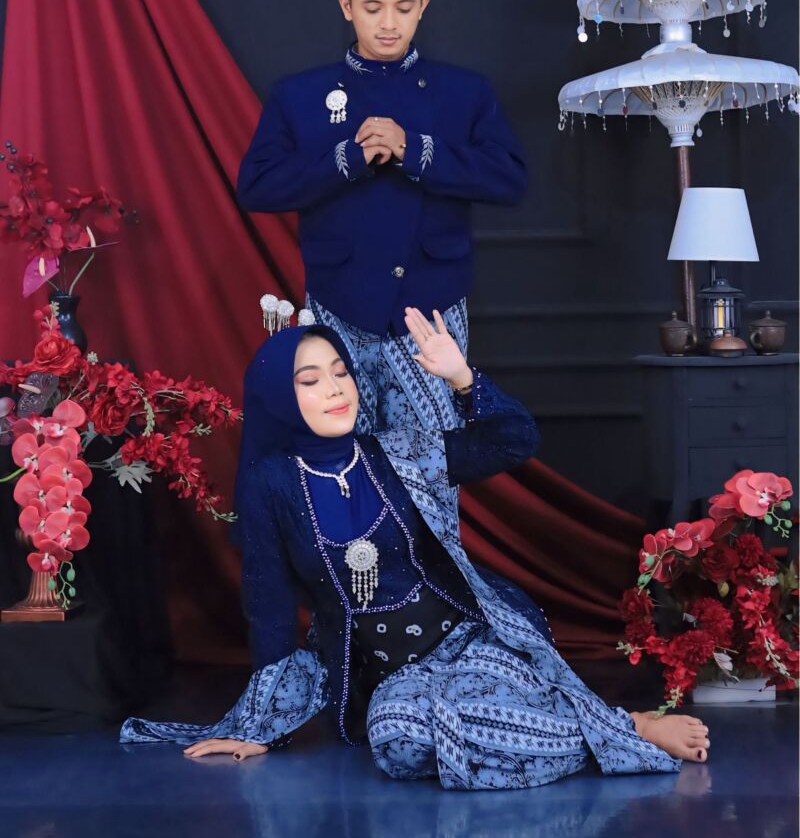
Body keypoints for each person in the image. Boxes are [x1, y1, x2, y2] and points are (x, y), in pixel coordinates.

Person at [120, 310, 709, 790]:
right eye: (311, 380)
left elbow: (515, 440)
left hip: (467, 641)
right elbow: (268, 605)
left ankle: (627, 727)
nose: (336, 389)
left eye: (341, 372)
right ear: (278, 396)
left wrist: (462, 378)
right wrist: (260, 725)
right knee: (399, 743)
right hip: (393, 678)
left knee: (487, 704)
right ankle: (599, 731)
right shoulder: (271, 483)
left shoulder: (401, 452)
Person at [237, 0, 526, 435]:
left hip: (431, 310)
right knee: (342, 454)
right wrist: (348, 159)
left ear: (424, 7)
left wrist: (413, 149)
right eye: (372, 8)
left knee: (432, 458)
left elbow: (509, 179)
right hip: (339, 303)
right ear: (346, 7)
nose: (389, 23)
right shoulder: (298, 95)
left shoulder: (464, 92)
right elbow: (257, 186)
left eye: (404, 8)